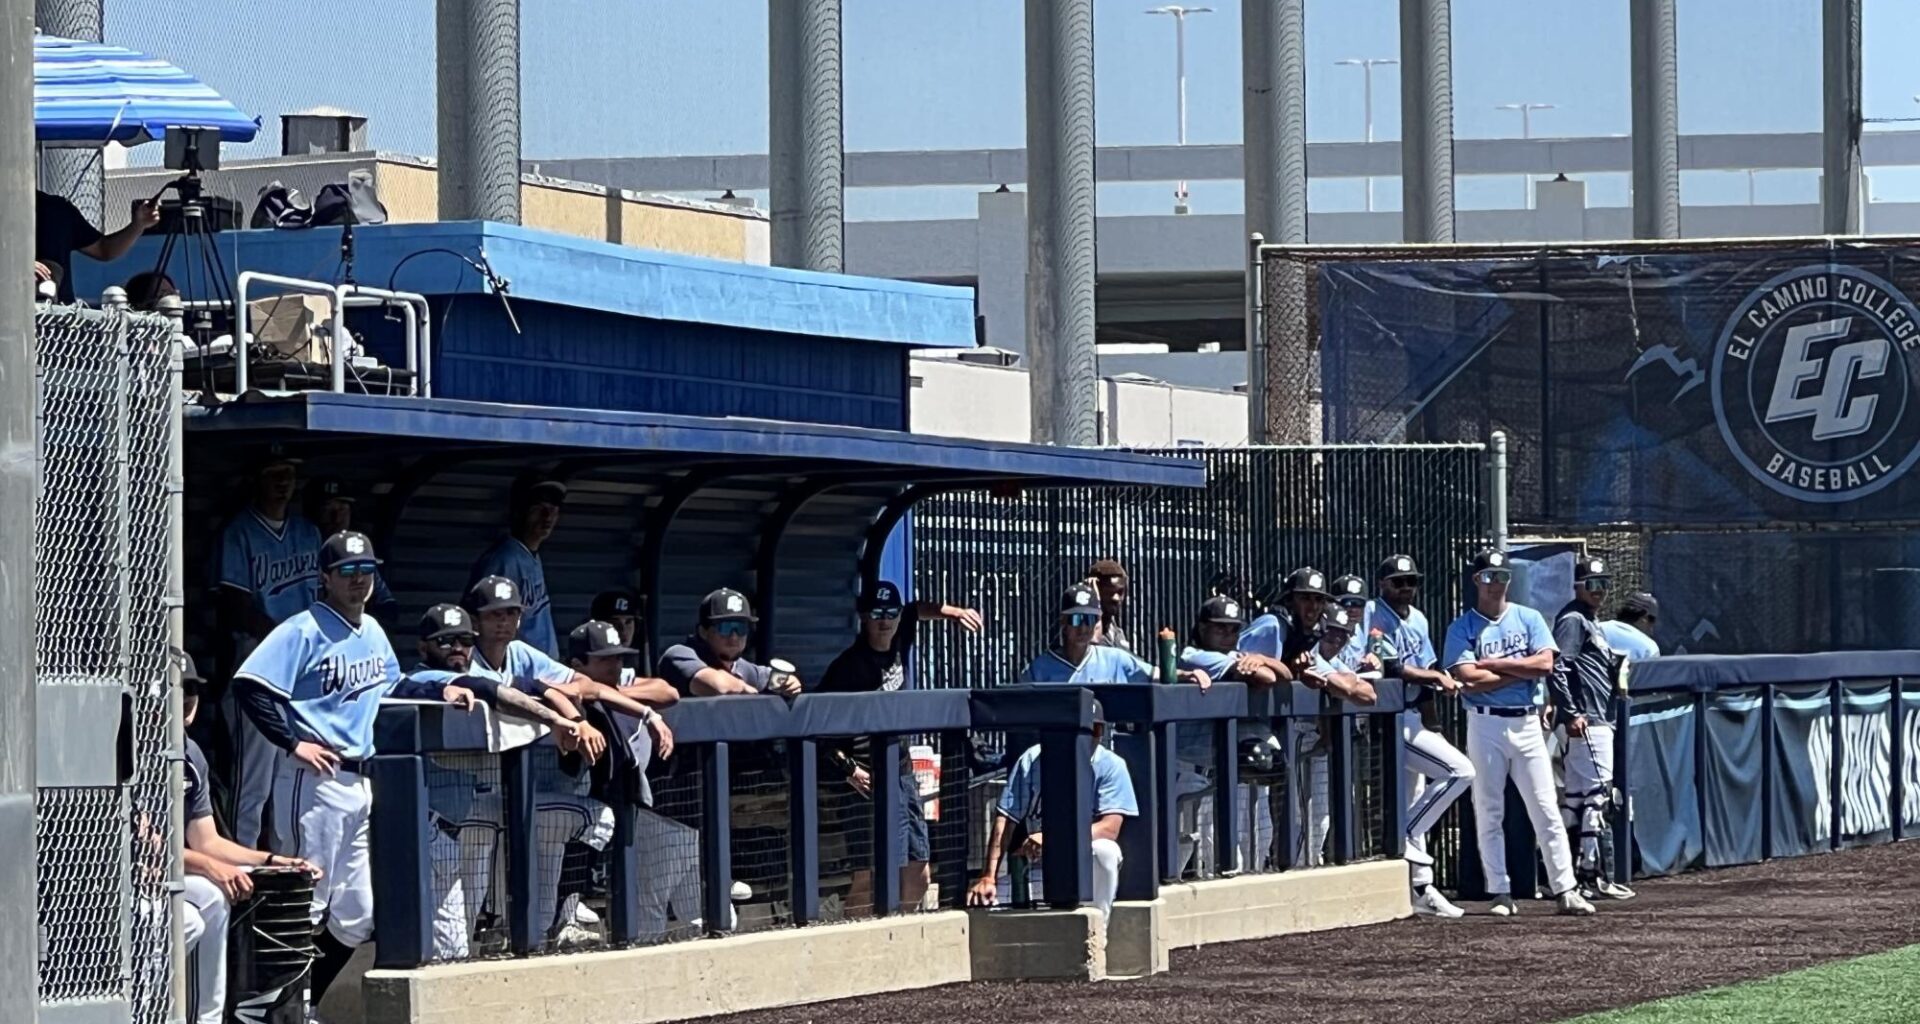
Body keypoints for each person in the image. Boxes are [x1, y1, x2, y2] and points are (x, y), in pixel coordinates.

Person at [230, 532, 479, 1004]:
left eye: (366, 570)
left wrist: (440, 689)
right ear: (325, 578)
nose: (359, 579)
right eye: (347, 571)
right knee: (305, 904)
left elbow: (394, 684)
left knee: (357, 915)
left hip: (360, 780)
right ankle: (273, 1010)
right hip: (314, 780)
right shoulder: (303, 628)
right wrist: (291, 741)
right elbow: (250, 685)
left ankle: (302, 1005)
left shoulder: (373, 630)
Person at [1442, 548, 1595, 918]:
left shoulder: (1527, 617)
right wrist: (1519, 670)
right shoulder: (1463, 626)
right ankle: (1499, 892)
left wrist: (1495, 664)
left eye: (1502, 576)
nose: (1496, 583)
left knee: (1544, 807)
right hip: (1485, 721)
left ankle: (1566, 889)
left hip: (1527, 722)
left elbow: (1545, 663)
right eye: (1489, 577)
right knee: (1488, 808)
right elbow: (1468, 680)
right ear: (1476, 580)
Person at [817, 580, 984, 911]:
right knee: (868, 877)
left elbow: (917, 609)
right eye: (876, 613)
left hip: (902, 775)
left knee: (918, 870)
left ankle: (899, 933)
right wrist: (850, 769)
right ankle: (854, 941)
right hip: (866, 781)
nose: (885, 621)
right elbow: (819, 732)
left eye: (890, 613)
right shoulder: (847, 667)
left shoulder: (900, 633)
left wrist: (954, 612)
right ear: (863, 617)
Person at [178, 652, 319, 1024]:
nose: (186, 697)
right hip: (132, 880)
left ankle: (206, 1020)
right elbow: (136, 847)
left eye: (192, 688)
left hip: (172, 873)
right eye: (177, 688)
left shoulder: (190, 753)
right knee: (199, 907)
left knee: (210, 897)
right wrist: (210, 866)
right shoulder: (137, 750)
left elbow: (207, 842)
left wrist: (272, 860)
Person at [217, 450, 324, 848]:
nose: (284, 482)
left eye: (289, 474)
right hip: (257, 671)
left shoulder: (308, 533)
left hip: (302, 675)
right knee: (253, 784)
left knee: (291, 780)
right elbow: (233, 603)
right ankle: (239, 874)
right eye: (274, 473)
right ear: (255, 481)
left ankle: (285, 876)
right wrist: (286, 639)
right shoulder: (239, 532)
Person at [1369, 554, 1473, 919]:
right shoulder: (1372, 613)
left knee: (1417, 800)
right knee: (1461, 771)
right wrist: (1435, 679)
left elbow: (1428, 668)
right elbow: (1392, 668)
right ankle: (1404, 833)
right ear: (1382, 584)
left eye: (1411, 581)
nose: (1406, 588)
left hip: (1414, 716)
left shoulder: (1420, 618)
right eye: (1398, 581)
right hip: (1389, 719)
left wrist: (1436, 724)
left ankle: (1421, 889)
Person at [967, 701, 1137, 921]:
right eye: (1080, 729)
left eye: (1094, 729)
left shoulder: (1111, 765)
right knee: (984, 903)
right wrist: (989, 876)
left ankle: (1098, 934)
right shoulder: (1032, 759)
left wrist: (1054, 839)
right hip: (1039, 868)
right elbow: (1005, 821)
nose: (1088, 737)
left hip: (1086, 869)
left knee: (1106, 851)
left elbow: (1110, 828)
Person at [1552, 557, 1638, 902]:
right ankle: (1595, 875)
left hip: (1596, 715)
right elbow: (1558, 666)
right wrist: (1571, 711)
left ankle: (1572, 877)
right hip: (1588, 718)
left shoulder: (1591, 620)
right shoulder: (1574, 619)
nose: (1599, 591)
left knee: (1577, 798)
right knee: (1598, 796)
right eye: (1592, 585)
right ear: (1578, 586)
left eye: (1604, 584)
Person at [1291, 607, 1378, 867]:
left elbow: (1370, 696)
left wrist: (1350, 679)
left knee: (1322, 812)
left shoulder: (1335, 662)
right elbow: (1348, 688)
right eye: (1331, 634)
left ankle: (1312, 863)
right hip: (1296, 736)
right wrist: (1348, 680)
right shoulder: (1310, 655)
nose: (1337, 641)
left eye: (1343, 636)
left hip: (1317, 740)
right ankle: (1298, 868)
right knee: (1299, 814)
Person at [1022, 582, 1210, 687]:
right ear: (1063, 622)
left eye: (1090, 620)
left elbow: (1154, 674)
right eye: (1077, 620)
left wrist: (1187, 674)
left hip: (1102, 749)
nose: (1083, 628)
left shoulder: (1115, 659)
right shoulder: (1039, 669)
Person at [469, 477, 566, 656]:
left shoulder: (531, 556)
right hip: (518, 675)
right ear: (519, 511)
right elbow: (487, 629)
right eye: (539, 509)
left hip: (540, 672)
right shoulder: (505, 560)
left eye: (553, 510)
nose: (548, 517)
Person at [656, 588, 802, 696]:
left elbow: (772, 678)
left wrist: (789, 683)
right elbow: (716, 685)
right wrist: (744, 688)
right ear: (703, 631)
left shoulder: (743, 668)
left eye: (740, 628)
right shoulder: (679, 654)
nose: (734, 637)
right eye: (725, 628)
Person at [35, 188, 159, 303]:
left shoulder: (55, 208)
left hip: (57, 317)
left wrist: (138, 225)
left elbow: (104, 249)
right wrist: (20, 269)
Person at [305, 476, 396, 619]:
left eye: (342, 509)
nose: (337, 518)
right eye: (328, 509)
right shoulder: (302, 550)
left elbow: (387, 605)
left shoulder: (357, 552)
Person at [1085, 559, 1133, 652]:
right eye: (1109, 592)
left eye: (1120, 592)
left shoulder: (1117, 632)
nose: (1116, 598)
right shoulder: (1083, 631)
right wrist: (1094, 602)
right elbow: (1094, 641)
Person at [591, 589, 643, 669]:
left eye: (628, 622)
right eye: (614, 623)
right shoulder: (585, 662)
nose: (623, 630)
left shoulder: (641, 661)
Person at [1602, 592, 1661, 662]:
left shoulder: (1597, 628)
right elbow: (1651, 672)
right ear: (1644, 618)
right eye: (1652, 619)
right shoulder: (1650, 648)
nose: (1652, 626)